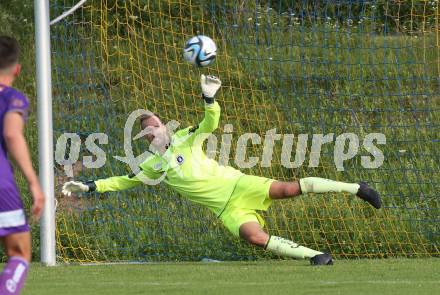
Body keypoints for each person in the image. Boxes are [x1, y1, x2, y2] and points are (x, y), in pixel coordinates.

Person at [62, 74, 381, 265]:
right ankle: (316, 256)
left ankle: (358, 188)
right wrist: (90, 186)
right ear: (145, 139)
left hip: (238, 186)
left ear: (163, 126)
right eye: (148, 130)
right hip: (225, 209)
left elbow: (210, 122)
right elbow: (122, 181)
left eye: (156, 125)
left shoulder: (186, 138)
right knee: (253, 237)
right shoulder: (151, 164)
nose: (154, 131)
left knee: (288, 189)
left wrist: (208, 98)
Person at [0, 36, 45, 294]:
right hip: (1, 185)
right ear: (16, 69)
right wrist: (33, 182)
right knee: (19, 253)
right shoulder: (13, 98)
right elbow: (12, 134)